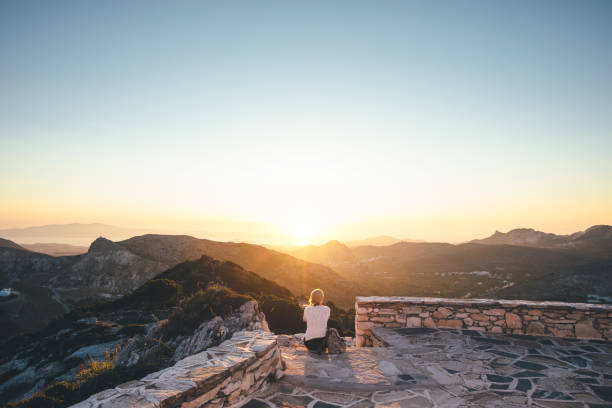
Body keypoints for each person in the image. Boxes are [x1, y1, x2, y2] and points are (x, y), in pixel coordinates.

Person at [303, 288, 330, 354]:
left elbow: (304, 320)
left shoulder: (307, 309)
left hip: (309, 343)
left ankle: (316, 348)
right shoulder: (327, 309)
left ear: (311, 298)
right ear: (322, 298)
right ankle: (320, 347)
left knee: (306, 337)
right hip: (323, 342)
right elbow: (327, 318)